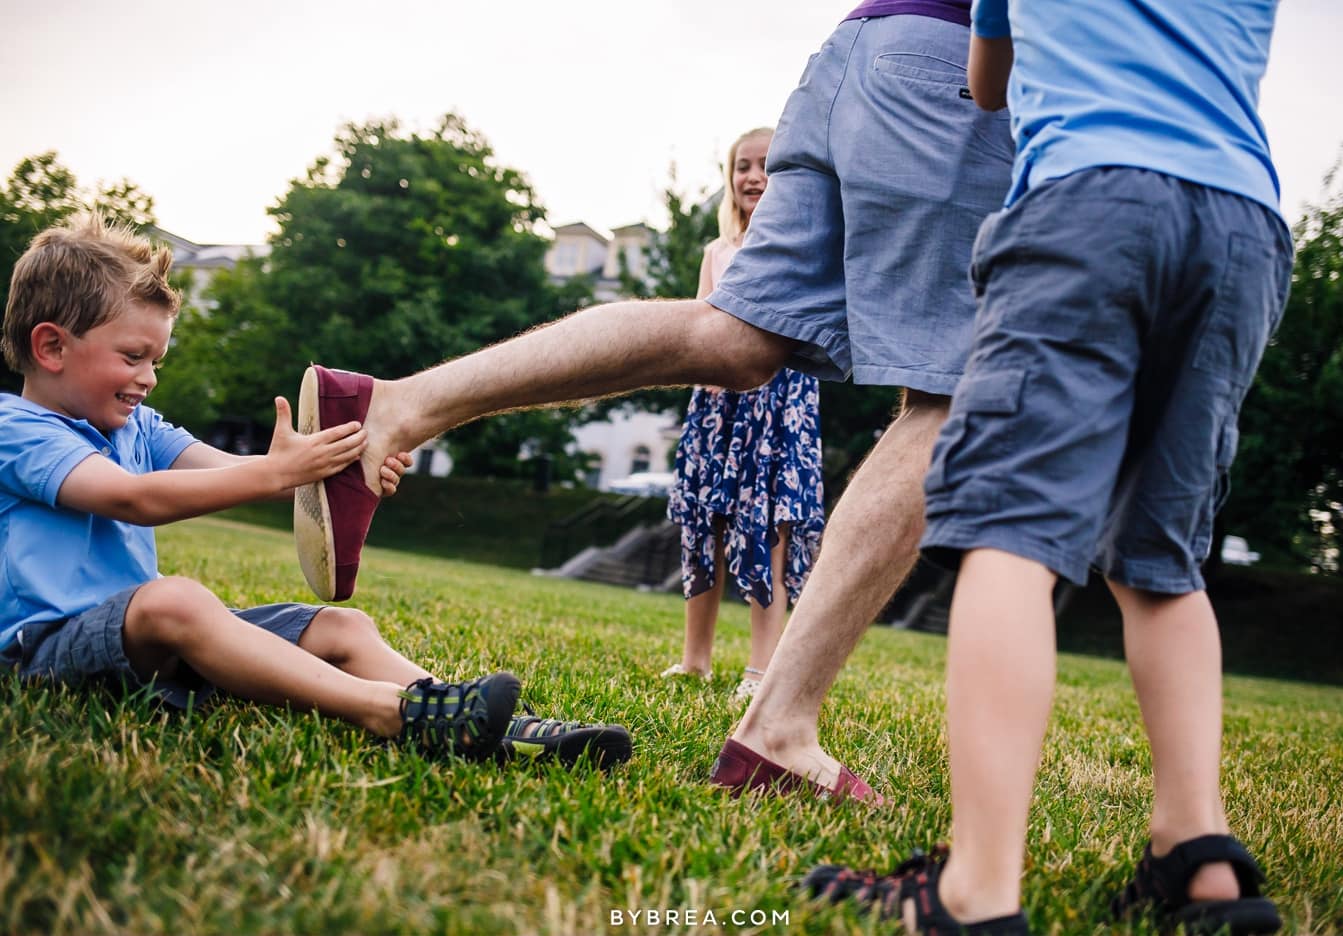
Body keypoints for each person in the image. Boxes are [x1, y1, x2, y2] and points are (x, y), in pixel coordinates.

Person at [294, 0, 1013, 802]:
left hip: (858, 52)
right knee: (957, 389)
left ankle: (396, 404)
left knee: (733, 337)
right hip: (961, 72)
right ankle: (777, 730)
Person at [804, 0, 1291, 933]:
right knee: (1161, 557)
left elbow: (989, 83)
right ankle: (1198, 857)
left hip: (1090, 200)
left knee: (1006, 531)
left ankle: (975, 892)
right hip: (1242, 222)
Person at [0, 215, 631, 772]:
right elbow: (128, 498)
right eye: (133, 356)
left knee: (342, 627)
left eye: (157, 359)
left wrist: (342, 465)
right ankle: (391, 712)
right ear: (52, 346)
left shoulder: (138, 425)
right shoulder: (16, 429)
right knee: (178, 601)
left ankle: (495, 730)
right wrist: (275, 473)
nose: (149, 378)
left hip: (142, 651)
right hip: (47, 653)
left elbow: (229, 472)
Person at [661, 127, 825, 702]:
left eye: (767, 166)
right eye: (743, 166)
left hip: (778, 407)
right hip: (716, 406)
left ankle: (760, 669)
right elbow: (705, 326)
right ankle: (695, 659)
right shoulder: (718, 251)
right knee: (703, 528)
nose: (753, 176)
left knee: (765, 535)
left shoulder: (803, 243)